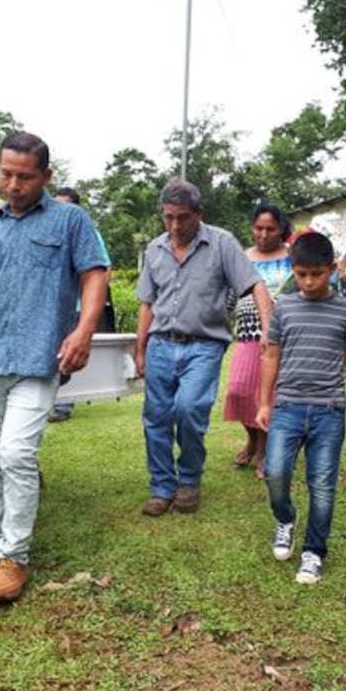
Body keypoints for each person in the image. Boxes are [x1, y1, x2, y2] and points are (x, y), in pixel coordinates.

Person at [0, 132, 110, 603]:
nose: (14, 184)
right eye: (7, 174)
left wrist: (83, 331)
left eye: (25, 176)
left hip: (39, 360)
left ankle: (15, 557)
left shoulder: (70, 221)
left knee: (16, 455)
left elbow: (94, 273)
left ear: (46, 177)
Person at [135, 179, 272, 516]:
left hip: (205, 345)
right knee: (155, 417)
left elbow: (255, 285)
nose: (175, 225)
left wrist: (269, 330)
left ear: (199, 213)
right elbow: (147, 304)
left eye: (183, 217)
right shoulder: (155, 250)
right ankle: (162, 487)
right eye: (168, 217)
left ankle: (189, 481)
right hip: (161, 344)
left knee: (188, 410)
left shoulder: (222, 243)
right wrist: (139, 350)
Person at [258, 230, 346, 584]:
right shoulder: (284, 306)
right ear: (293, 269)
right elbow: (271, 355)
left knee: (322, 484)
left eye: (316, 273)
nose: (307, 281)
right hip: (287, 406)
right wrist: (264, 401)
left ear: (332, 269)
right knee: (275, 472)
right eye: (301, 273)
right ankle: (285, 518)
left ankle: (313, 551)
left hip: (329, 411)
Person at [223, 203, 292, 479]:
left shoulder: (292, 257)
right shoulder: (240, 258)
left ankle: (264, 452)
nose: (263, 234)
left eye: (270, 229)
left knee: (267, 394)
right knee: (239, 390)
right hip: (247, 333)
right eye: (258, 228)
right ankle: (252, 439)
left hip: (281, 335)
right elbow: (229, 296)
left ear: (281, 229)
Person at [47, 186, 118, 423]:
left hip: (78, 307)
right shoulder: (52, 232)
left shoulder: (88, 233)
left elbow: (103, 269)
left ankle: (63, 405)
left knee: (69, 352)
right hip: (55, 307)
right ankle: (50, 400)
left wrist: (92, 299)